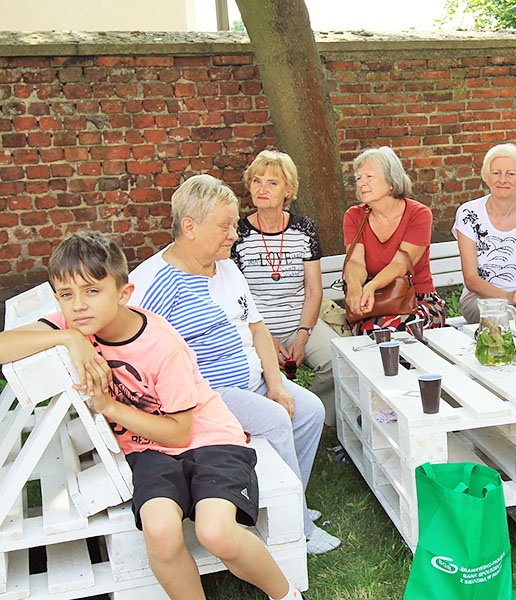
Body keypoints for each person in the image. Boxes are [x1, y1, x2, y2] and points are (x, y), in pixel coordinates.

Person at [0, 232, 304, 600]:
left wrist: (111, 408)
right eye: (66, 295)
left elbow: (179, 433)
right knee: (160, 533)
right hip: (148, 450)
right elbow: (4, 345)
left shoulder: (161, 343)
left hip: (207, 440)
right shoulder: (75, 327)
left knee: (216, 532)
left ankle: (287, 595)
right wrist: (67, 340)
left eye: (92, 291)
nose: (78, 305)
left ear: (124, 294)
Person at [129, 174, 340, 554]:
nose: (234, 234)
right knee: (277, 420)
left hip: (252, 380)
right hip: (206, 394)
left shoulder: (226, 268)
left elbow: (259, 331)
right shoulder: (153, 283)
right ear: (189, 227)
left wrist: (276, 385)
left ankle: (288, 503)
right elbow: (131, 349)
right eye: (225, 226)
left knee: (309, 410)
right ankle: (299, 529)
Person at [232, 150, 339, 426]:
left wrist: (303, 335)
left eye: (272, 183)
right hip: (257, 329)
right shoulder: (238, 234)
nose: (262, 189)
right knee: (257, 373)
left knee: (336, 360)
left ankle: (318, 421)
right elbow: (237, 298)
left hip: (300, 324)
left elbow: (314, 290)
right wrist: (266, 339)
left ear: (288, 190)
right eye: (256, 181)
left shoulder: (304, 229)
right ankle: (274, 422)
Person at [342, 146, 446, 334]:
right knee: (376, 329)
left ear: (391, 181)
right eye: (358, 178)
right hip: (374, 303)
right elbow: (355, 262)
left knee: (396, 328)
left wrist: (372, 286)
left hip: (417, 300)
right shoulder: (354, 216)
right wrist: (355, 288)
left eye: (369, 177)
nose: (361, 183)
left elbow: (401, 264)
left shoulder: (419, 214)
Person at [453, 143, 516, 324]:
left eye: (511, 174)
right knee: (506, 319)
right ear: (486, 177)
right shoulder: (469, 213)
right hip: (481, 299)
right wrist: (509, 297)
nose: (503, 180)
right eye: (496, 173)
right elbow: (471, 280)